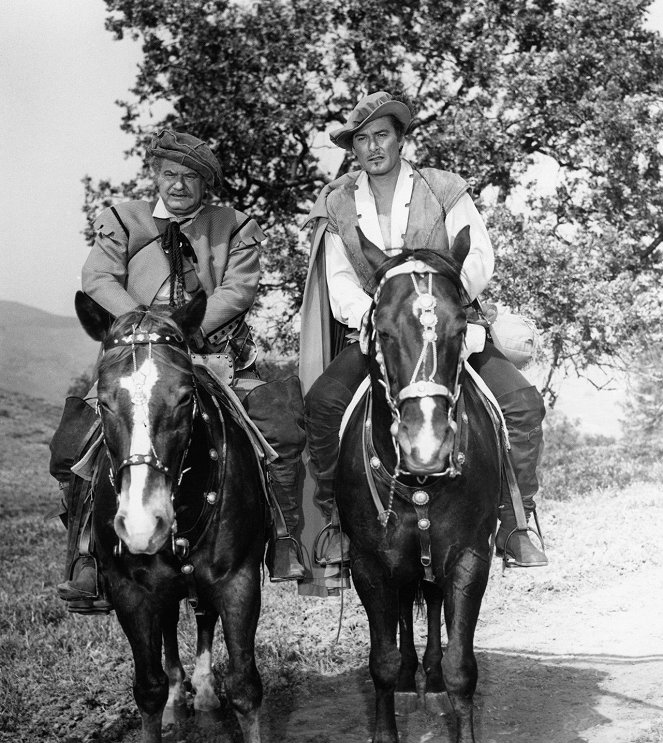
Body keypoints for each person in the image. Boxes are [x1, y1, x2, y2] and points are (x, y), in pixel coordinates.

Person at [298, 91, 547, 594]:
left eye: (382, 135)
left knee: (522, 404)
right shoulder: (337, 202)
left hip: (447, 325)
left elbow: (478, 255)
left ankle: (516, 519)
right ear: (354, 149)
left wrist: (443, 299)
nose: (373, 147)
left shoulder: (444, 188)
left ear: (400, 138)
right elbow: (339, 277)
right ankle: (332, 527)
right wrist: (378, 314)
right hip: (383, 332)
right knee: (323, 405)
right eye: (362, 140)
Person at [53, 128, 305, 611]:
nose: (179, 185)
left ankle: (282, 537)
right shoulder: (123, 221)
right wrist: (143, 329)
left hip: (215, 358)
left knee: (281, 427)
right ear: (156, 174)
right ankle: (87, 556)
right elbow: (97, 278)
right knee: (74, 440)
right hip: (135, 359)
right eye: (170, 174)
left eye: (191, 177)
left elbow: (238, 289)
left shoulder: (233, 225)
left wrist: (184, 333)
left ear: (205, 184)